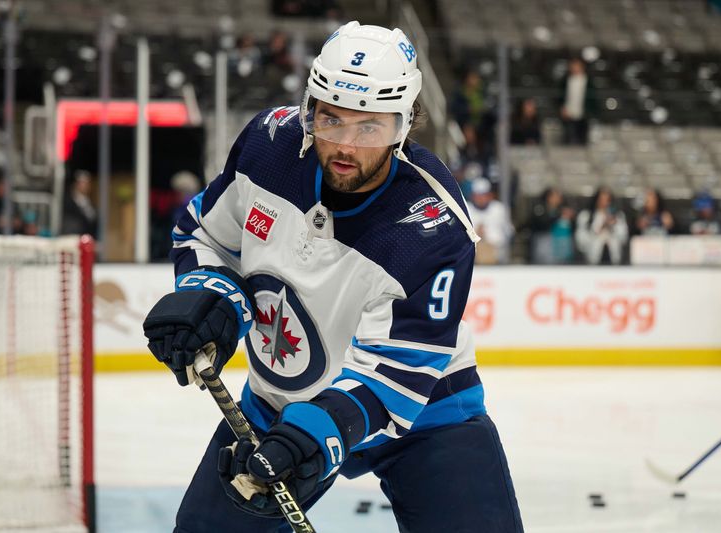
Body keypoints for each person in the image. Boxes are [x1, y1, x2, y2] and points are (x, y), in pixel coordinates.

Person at [143, 21, 522, 533]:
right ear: (309, 109)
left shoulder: (429, 224)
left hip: (426, 418)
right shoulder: (268, 147)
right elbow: (206, 235)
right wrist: (209, 292)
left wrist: (319, 429)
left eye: (371, 128)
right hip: (279, 406)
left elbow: (401, 369)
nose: (346, 145)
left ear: (403, 125)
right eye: (331, 120)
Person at [575, 186, 629, 265]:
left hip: (613, 259)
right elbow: (581, 241)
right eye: (602, 199)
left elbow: (623, 238)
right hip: (593, 259)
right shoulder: (586, 216)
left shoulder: (618, 216)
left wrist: (614, 226)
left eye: (607, 200)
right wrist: (599, 228)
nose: (605, 202)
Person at [465, 178, 513, 264]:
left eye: (483, 195)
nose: (480, 198)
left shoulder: (499, 209)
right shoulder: (467, 209)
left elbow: (508, 231)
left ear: (490, 195)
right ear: (473, 196)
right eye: (478, 195)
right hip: (472, 256)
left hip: (497, 255)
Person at [526, 187, 575, 264]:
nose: (558, 199)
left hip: (560, 244)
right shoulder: (540, 209)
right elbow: (540, 224)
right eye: (556, 196)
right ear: (549, 197)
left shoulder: (561, 210)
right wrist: (558, 215)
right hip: (543, 242)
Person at [559, 58, 595, 145]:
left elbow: (592, 99)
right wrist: (562, 107)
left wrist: (589, 112)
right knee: (568, 139)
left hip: (583, 115)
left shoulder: (588, 82)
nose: (574, 68)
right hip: (568, 114)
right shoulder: (565, 80)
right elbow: (560, 96)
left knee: (582, 140)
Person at [61, 170, 98, 236]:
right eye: (82, 183)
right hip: (73, 236)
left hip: (88, 237)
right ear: (76, 184)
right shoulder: (68, 201)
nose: (85, 186)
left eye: (87, 183)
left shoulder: (89, 203)